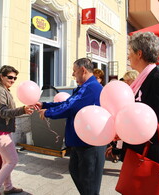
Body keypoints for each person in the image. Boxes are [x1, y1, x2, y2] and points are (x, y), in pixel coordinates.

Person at [36, 58, 106, 195]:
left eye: (74, 71)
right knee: (76, 171)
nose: (73, 75)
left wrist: (49, 112)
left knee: (89, 183)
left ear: (83, 70)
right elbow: (67, 103)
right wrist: (45, 105)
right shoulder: (84, 87)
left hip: (90, 144)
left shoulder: (92, 88)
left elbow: (71, 107)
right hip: (80, 141)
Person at [123, 32, 159, 167]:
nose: (128, 55)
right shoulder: (142, 80)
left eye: (130, 51)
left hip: (151, 159)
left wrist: (133, 132)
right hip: (139, 154)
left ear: (139, 53)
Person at [0, 65, 34, 195]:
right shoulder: (0, 92)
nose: (13, 80)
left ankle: (8, 187)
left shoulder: (5, 90)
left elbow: (8, 111)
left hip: (2, 131)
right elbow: (3, 112)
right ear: (2, 76)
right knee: (13, 161)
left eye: (15, 78)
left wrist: (23, 109)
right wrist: (22, 110)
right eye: (10, 77)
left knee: (6, 161)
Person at [105, 70, 139, 163]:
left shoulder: (136, 95)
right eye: (125, 81)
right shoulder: (125, 94)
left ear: (135, 80)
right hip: (124, 136)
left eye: (128, 80)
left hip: (133, 138)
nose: (126, 83)